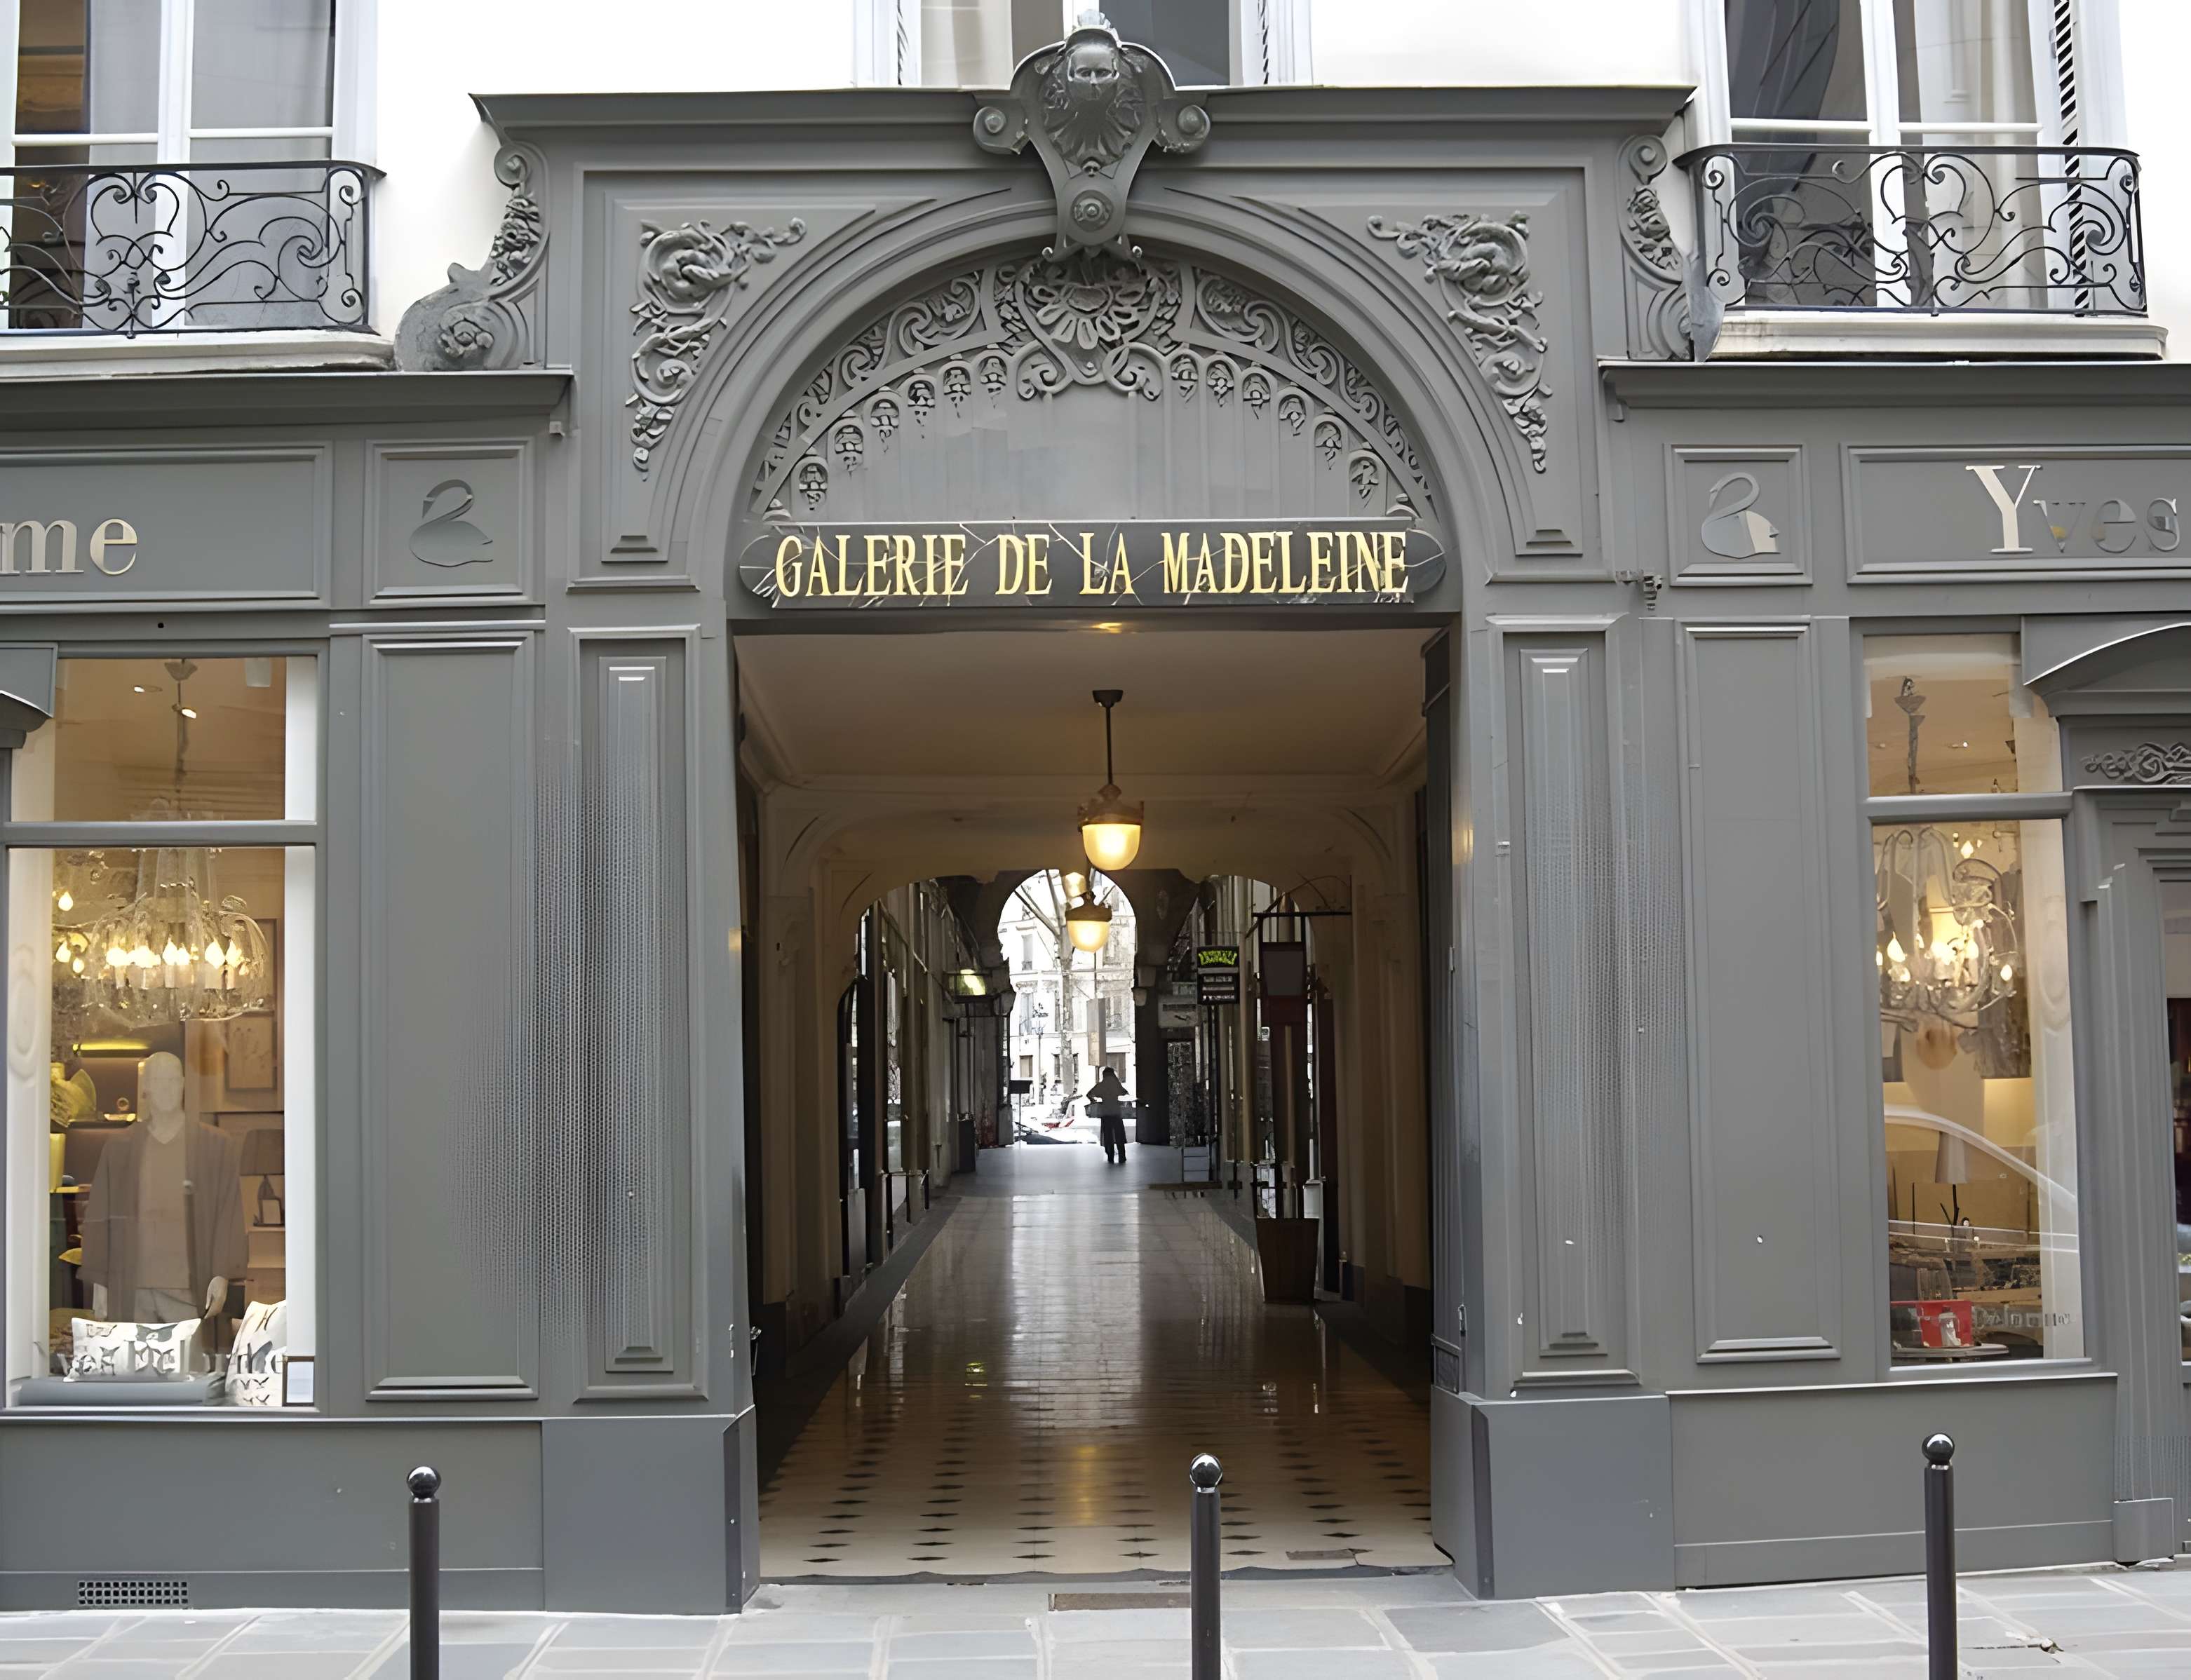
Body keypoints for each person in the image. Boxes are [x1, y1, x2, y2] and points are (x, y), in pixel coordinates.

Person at [1087, 1067, 1128, 1165]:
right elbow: (1125, 1093)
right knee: (1119, 1134)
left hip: (1105, 1113)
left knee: (1108, 1135)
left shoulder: (1101, 1085)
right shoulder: (1117, 1085)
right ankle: (1122, 1156)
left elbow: (1089, 1094)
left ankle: (1110, 1155)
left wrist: (1093, 1101)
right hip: (1117, 1113)